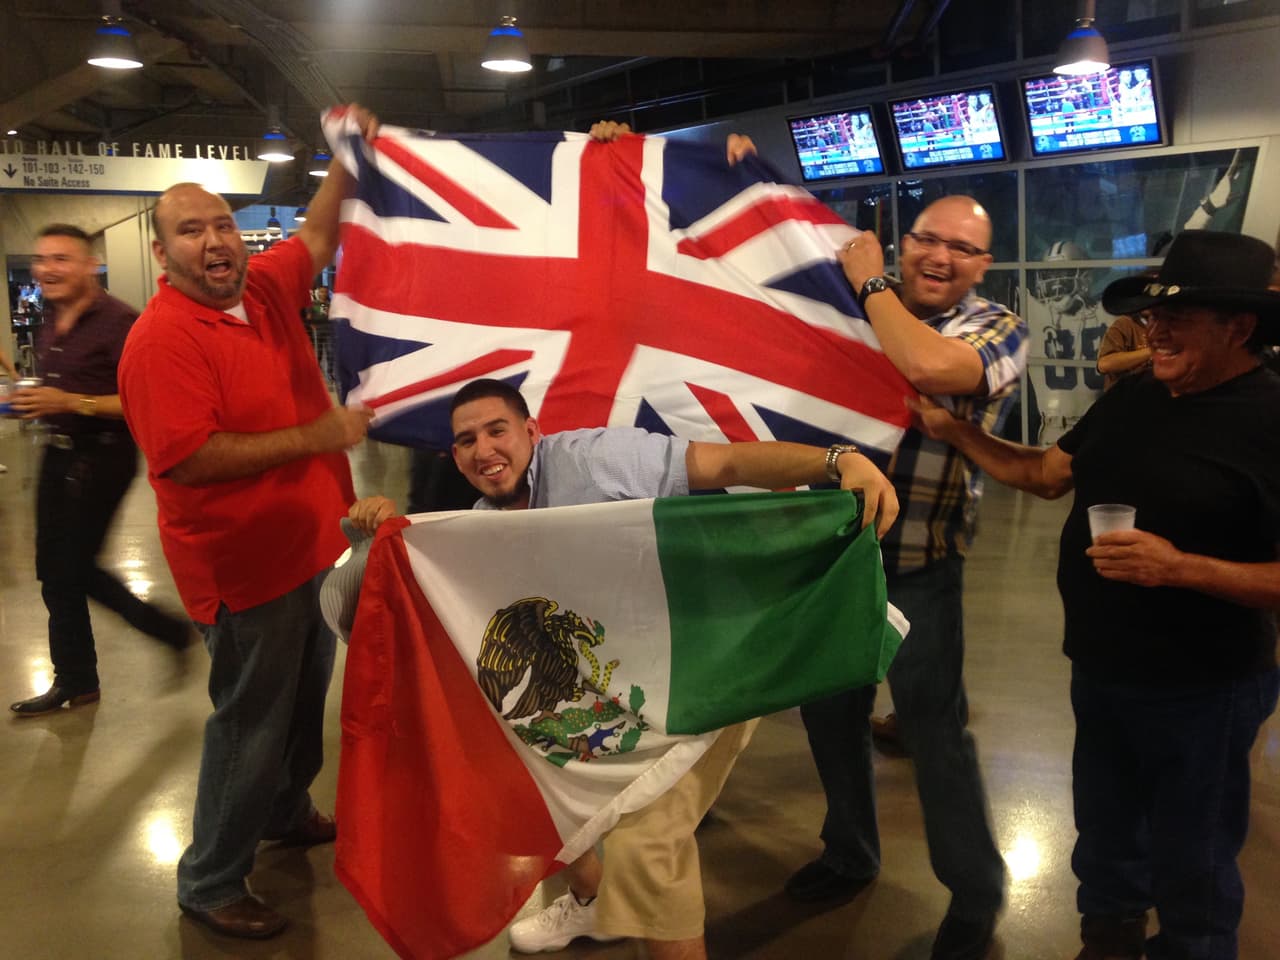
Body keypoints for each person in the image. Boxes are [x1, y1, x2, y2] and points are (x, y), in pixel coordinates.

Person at [345, 377, 899, 960]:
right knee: (518, 768)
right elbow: (379, 607)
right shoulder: (485, 524)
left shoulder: (598, 460)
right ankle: (594, 904)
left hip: (706, 662)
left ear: (532, 431)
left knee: (647, 846)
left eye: (497, 430)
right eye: (465, 440)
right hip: (622, 680)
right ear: (453, 456)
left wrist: (840, 462)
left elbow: (724, 461)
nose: (483, 449)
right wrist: (373, 535)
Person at [906, 229, 1280, 960]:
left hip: (1206, 688)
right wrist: (956, 432)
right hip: (1102, 669)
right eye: (1153, 313)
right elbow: (1046, 474)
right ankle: (1106, 939)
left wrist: (1183, 568)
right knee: (1106, 838)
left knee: (1193, 862)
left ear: (1240, 328)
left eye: (1183, 315)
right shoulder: (1137, 394)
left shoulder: (1270, 420)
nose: (1154, 328)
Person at [116, 105, 380, 940]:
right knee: (249, 724)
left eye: (222, 223)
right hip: (243, 571)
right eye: (190, 231)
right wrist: (322, 434)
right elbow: (190, 457)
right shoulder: (162, 341)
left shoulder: (263, 292)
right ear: (164, 253)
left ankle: (286, 809)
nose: (214, 241)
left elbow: (316, 231)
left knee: (304, 706)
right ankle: (210, 880)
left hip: (313, 549)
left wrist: (346, 158)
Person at [788, 196, 1027, 960]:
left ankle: (976, 891)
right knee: (830, 718)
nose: (941, 256)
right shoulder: (852, 302)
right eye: (928, 238)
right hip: (835, 556)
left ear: (982, 265)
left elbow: (929, 364)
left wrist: (869, 288)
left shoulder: (997, 328)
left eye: (963, 249)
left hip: (921, 564)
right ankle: (850, 852)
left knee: (934, 732)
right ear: (905, 239)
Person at [9, 224, 191, 717]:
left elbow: (142, 401)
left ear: (90, 264)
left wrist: (69, 400)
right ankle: (77, 681)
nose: (48, 269)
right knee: (54, 574)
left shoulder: (120, 323)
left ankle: (169, 631)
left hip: (102, 457)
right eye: (42, 259)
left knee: (74, 568)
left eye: (62, 259)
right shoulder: (50, 316)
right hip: (58, 452)